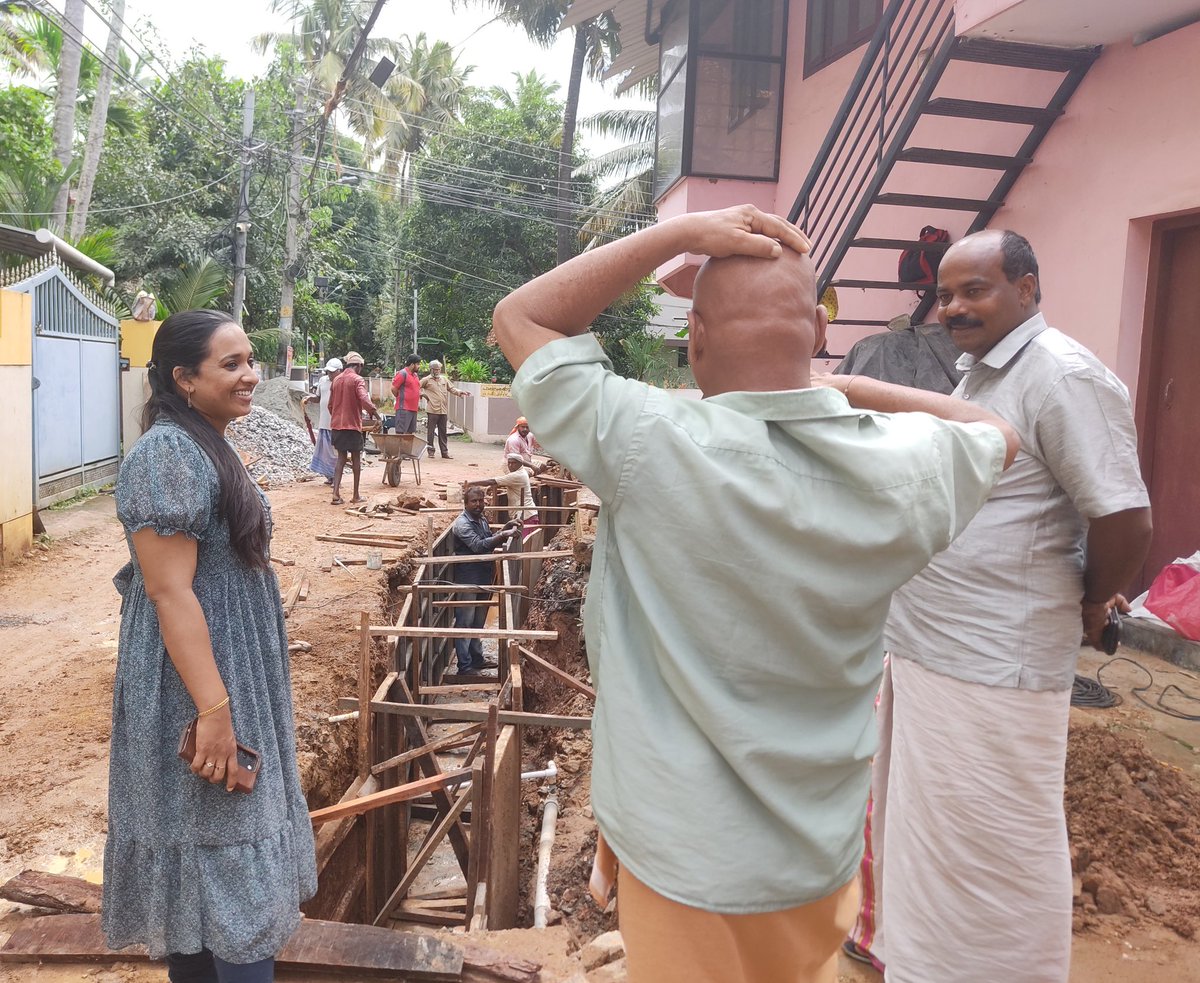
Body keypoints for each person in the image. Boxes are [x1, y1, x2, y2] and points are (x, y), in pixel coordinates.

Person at [492, 204, 1020, 983]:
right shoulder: (901, 471)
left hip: (688, 862)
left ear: (696, 339)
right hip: (818, 856)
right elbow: (993, 431)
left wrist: (680, 233)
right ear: (814, 332)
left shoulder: (648, 441)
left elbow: (521, 315)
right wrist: (837, 385)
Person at [838, 230, 1152, 983]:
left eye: (974, 289)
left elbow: (1124, 518)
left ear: (1028, 288)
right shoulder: (979, 377)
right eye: (945, 294)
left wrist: (1086, 599)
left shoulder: (1062, 376)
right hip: (933, 652)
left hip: (994, 663)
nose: (953, 307)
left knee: (993, 856)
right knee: (930, 844)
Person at [106, 310, 316, 983]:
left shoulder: (207, 445)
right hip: (199, 688)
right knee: (227, 854)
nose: (251, 374)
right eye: (231, 363)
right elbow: (169, 592)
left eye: (250, 359)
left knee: (211, 864)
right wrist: (216, 711)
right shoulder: (167, 454)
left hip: (223, 676)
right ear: (183, 378)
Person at [450, 487, 520, 675]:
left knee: (478, 621)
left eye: (481, 501)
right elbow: (478, 546)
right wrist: (503, 535)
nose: (478, 504)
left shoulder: (480, 519)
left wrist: (505, 528)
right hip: (467, 579)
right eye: (474, 501)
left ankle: (477, 659)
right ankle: (464, 667)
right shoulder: (462, 524)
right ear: (465, 503)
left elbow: (487, 538)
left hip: (483, 576)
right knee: (465, 623)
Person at [327, 351, 380, 506]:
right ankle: (356, 495)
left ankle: (335, 494)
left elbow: (330, 405)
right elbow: (364, 399)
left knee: (341, 459)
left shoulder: (336, 380)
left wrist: (337, 416)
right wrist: (375, 414)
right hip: (352, 426)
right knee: (356, 458)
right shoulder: (357, 380)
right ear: (358, 366)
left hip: (337, 426)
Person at [463, 455, 540, 537]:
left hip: (526, 516)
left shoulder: (517, 475)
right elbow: (503, 482)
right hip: (525, 514)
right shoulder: (521, 472)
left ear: (520, 464)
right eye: (509, 463)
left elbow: (492, 481)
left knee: (524, 545)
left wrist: (470, 483)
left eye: (513, 463)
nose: (510, 465)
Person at [301, 357, 343, 483]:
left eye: (332, 372)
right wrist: (309, 398)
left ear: (339, 371)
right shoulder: (323, 381)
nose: (330, 374)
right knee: (325, 452)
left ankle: (336, 477)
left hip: (336, 423)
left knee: (334, 453)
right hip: (324, 422)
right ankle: (330, 476)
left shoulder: (341, 383)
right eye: (328, 372)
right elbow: (318, 398)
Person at [420, 360, 465, 458]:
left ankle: (444, 452)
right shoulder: (426, 380)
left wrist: (460, 392)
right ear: (431, 370)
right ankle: (430, 451)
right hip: (432, 410)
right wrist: (422, 394)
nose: (437, 371)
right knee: (431, 432)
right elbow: (416, 387)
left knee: (443, 432)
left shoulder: (444, 379)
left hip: (443, 410)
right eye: (435, 369)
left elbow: (452, 389)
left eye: (439, 369)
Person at [391, 354, 421, 435]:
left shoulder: (415, 375)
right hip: (404, 409)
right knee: (401, 433)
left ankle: (406, 448)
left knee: (409, 434)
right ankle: (399, 448)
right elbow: (394, 388)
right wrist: (400, 398)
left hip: (413, 409)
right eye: (417, 364)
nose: (419, 366)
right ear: (412, 364)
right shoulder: (402, 373)